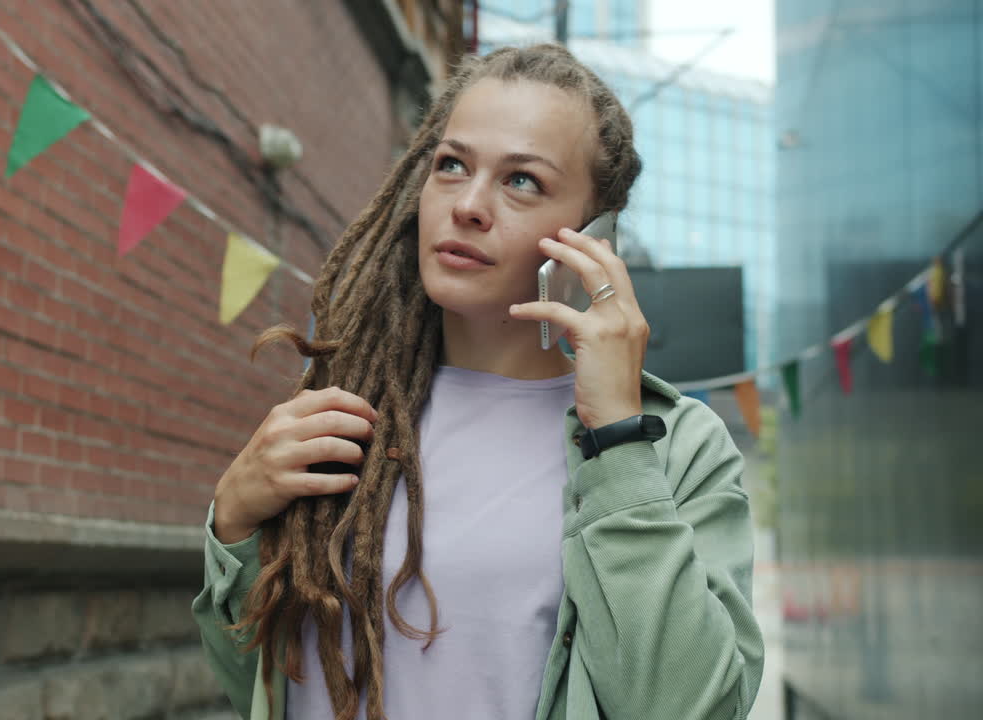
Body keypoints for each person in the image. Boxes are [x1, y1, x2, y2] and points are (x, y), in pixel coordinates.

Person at [191, 43, 764, 720]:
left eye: (522, 181)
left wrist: (617, 436)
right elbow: (257, 683)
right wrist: (232, 522)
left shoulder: (674, 449)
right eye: (451, 165)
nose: (468, 204)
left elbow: (690, 707)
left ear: (593, 233)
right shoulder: (346, 406)